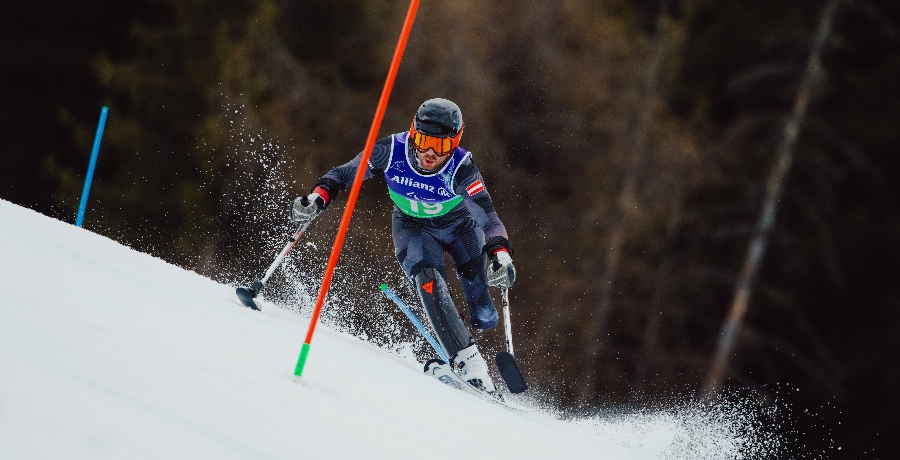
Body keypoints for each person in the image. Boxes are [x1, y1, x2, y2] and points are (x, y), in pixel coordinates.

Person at [290, 98, 516, 393]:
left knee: (484, 316)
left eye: (441, 145)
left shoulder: (461, 168)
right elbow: (346, 173)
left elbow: (487, 217)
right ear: (413, 132)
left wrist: (501, 254)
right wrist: (318, 196)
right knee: (429, 281)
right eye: (423, 141)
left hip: (461, 228)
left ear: (454, 143)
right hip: (413, 227)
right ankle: (469, 363)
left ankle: (459, 323)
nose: (430, 153)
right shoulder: (391, 150)